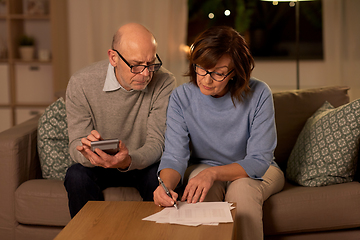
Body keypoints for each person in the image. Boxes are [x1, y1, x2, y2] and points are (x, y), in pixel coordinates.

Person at [153, 26, 285, 240]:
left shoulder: (259, 93)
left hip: (260, 168)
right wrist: (164, 186)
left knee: (241, 191)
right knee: (199, 190)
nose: (206, 79)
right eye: (201, 68)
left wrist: (213, 173)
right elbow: (175, 155)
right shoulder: (181, 97)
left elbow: (260, 159)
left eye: (219, 73)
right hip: (203, 168)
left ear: (235, 73)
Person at [64, 23, 175, 218]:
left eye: (151, 64)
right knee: (76, 176)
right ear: (113, 58)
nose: (146, 74)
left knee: (159, 177)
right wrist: (88, 153)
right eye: (136, 65)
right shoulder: (81, 83)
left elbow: (157, 143)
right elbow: (75, 144)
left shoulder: (165, 82)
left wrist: (127, 161)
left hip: (142, 162)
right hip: (98, 165)